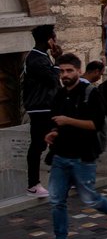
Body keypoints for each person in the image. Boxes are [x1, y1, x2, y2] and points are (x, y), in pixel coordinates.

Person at [39, 53, 107, 239]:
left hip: (83, 156)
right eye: (62, 71)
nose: (65, 75)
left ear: (78, 71)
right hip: (60, 156)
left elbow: (94, 124)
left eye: (69, 71)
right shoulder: (59, 95)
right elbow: (56, 122)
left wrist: (68, 120)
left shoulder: (90, 93)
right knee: (56, 199)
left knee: (88, 198)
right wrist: (53, 132)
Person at [22, 23, 60, 198]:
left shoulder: (42, 56)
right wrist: (58, 60)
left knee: (57, 138)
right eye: (54, 37)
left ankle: (62, 173)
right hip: (40, 108)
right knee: (37, 145)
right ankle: (33, 184)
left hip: (47, 106)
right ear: (48, 40)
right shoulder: (36, 59)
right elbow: (52, 79)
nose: (56, 40)